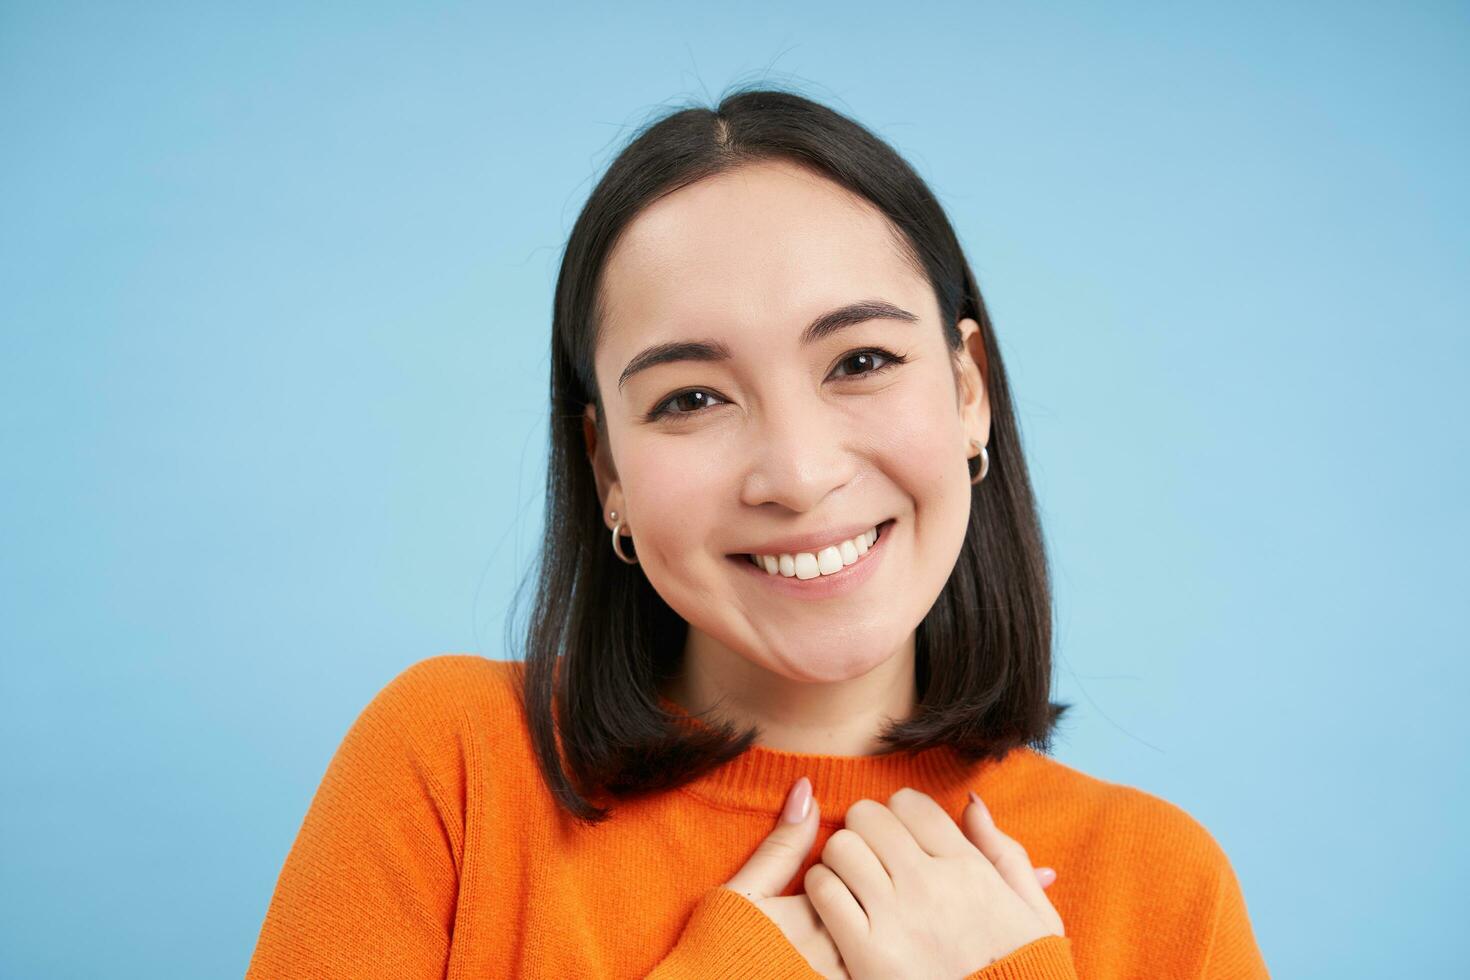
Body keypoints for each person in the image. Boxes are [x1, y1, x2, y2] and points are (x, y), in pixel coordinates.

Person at [245, 88, 1270, 978]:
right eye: (693, 395)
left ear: (967, 391)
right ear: (606, 466)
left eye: (860, 361)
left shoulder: (1162, 885)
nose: (797, 472)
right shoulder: (456, 769)